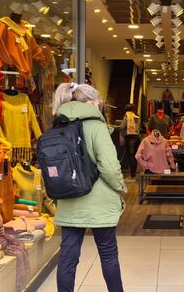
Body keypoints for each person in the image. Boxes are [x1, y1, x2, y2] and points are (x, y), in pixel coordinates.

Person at [51, 82, 126, 292]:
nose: (101, 106)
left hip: (68, 199)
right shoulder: (96, 126)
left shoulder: (57, 126)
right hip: (99, 201)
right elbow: (110, 167)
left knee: (67, 256)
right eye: (100, 102)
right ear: (91, 102)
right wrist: (120, 186)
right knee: (108, 254)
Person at [119, 103, 141, 179]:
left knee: (130, 156)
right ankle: (133, 174)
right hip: (137, 137)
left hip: (130, 138)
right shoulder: (137, 116)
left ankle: (132, 175)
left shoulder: (127, 116)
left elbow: (122, 126)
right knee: (134, 156)